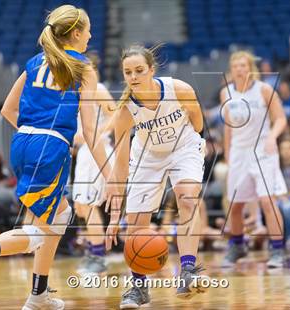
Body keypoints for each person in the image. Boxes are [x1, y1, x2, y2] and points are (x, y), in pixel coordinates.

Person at [0, 5, 118, 309]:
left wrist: (35, 133)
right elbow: (92, 131)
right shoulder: (83, 67)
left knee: (59, 217)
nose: (91, 35)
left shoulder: (34, 62)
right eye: (88, 30)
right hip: (50, 146)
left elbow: (7, 110)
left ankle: (39, 293)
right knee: (46, 227)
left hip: (23, 141)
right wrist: (111, 178)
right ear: (76, 33)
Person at [105, 44, 209, 308]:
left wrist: (190, 146)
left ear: (152, 70)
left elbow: (197, 124)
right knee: (137, 221)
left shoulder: (180, 90)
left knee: (187, 199)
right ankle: (139, 287)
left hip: (183, 146)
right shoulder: (126, 111)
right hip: (147, 156)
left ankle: (188, 269)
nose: (134, 76)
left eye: (139, 70)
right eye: (128, 72)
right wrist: (116, 210)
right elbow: (120, 162)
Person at [221, 50, 287, 268]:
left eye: (243, 65)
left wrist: (273, 137)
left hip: (263, 150)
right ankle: (238, 245)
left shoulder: (264, 90)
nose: (239, 69)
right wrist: (228, 154)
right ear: (231, 70)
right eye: (235, 66)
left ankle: (278, 249)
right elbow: (228, 128)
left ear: (251, 68)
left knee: (268, 200)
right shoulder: (226, 93)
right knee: (236, 205)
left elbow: (280, 119)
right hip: (239, 151)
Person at [72, 52, 116, 275]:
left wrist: (94, 134)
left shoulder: (98, 89)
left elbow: (116, 117)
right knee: (81, 207)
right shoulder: (80, 91)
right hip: (84, 154)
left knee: (88, 206)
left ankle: (98, 257)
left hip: (97, 151)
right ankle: (95, 249)